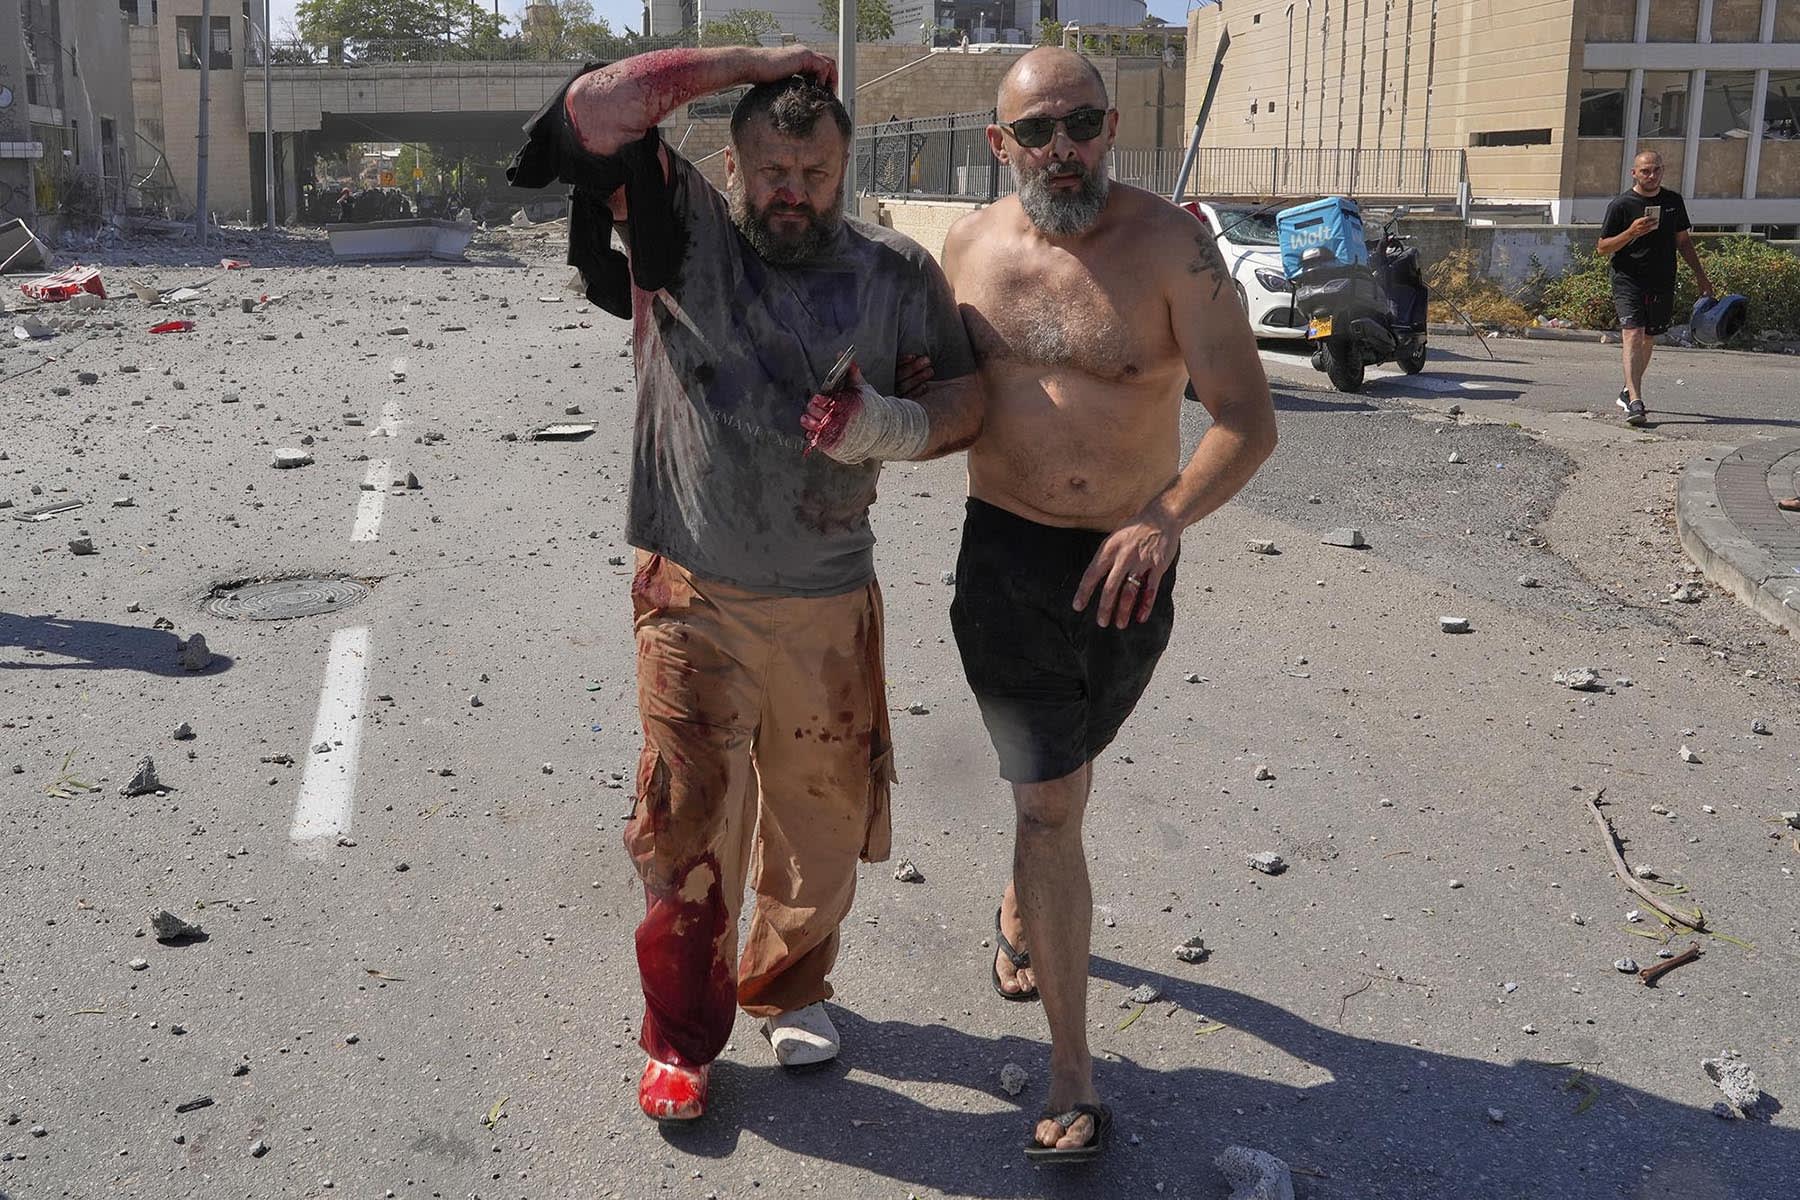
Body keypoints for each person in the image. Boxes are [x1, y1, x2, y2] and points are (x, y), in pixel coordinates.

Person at [509, 46, 981, 1124]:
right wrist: (753, 59)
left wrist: (890, 426)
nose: (791, 194)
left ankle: (790, 985)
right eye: (771, 168)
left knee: (821, 819)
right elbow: (593, 109)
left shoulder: (895, 275)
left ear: (845, 171)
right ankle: (680, 1038)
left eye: (814, 176)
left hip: (827, 599)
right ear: (734, 162)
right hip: (694, 591)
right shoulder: (688, 238)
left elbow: (966, 405)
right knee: (686, 823)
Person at [938, 47, 1277, 1162]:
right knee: (1051, 803)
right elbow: (932, 393)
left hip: (1134, 570)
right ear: (1002, 145)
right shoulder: (968, 252)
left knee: (1065, 783)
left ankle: (1022, 894)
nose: (1062, 149)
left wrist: (1166, 519)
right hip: (1005, 564)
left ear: (1112, 124)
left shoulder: (1175, 248)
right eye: (1036, 132)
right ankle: (1074, 1072)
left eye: (1080, 124)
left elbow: (1245, 417)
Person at [1596, 150, 1713, 426]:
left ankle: (1627, 390)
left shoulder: (1672, 201)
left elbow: (1683, 242)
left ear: (1663, 171)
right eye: (1645, 171)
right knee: (1633, 333)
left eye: (1656, 170)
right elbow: (1602, 247)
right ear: (1634, 173)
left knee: (1648, 338)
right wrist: (1631, 232)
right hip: (1628, 279)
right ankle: (1636, 401)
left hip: (1662, 279)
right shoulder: (1621, 205)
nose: (1651, 175)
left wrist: (1701, 277)